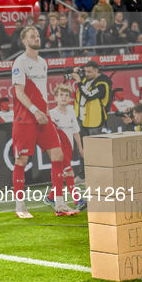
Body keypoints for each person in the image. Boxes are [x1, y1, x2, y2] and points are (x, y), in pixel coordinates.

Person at [11, 25, 77, 218]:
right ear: (24, 41)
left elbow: (43, 90)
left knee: (57, 154)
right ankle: (20, 206)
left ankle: (60, 204)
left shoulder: (43, 62)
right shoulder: (19, 62)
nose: (37, 38)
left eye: (38, 36)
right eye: (32, 36)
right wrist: (34, 110)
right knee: (21, 160)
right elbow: (19, 92)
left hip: (43, 117)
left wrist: (46, 113)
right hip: (25, 118)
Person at [46, 84, 86, 212]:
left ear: (70, 99)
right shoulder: (51, 114)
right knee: (69, 172)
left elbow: (75, 131)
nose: (64, 97)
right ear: (55, 98)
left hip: (69, 147)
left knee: (62, 175)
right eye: (61, 95)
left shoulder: (72, 112)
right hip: (58, 148)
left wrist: (80, 148)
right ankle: (77, 200)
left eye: (67, 95)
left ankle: (50, 198)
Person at [71, 60, 112, 137]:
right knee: (83, 145)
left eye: (89, 72)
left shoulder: (102, 84)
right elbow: (66, 73)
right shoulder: (85, 79)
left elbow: (89, 95)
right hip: (81, 118)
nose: (86, 74)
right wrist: (74, 70)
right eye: (85, 71)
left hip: (94, 120)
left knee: (95, 145)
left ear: (96, 71)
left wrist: (79, 83)